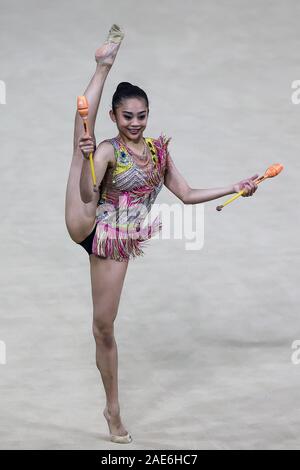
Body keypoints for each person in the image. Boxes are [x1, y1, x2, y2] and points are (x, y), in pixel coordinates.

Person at [65, 24, 258, 444]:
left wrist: (236, 186)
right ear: (115, 117)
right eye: (127, 116)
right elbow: (85, 193)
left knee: (103, 328)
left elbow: (186, 194)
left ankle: (102, 66)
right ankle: (103, 68)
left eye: (141, 116)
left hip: (117, 237)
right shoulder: (107, 149)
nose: (135, 123)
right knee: (80, 140)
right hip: (88, 221)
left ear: (147, 116)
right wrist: (87, 161)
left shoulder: (158, 152)